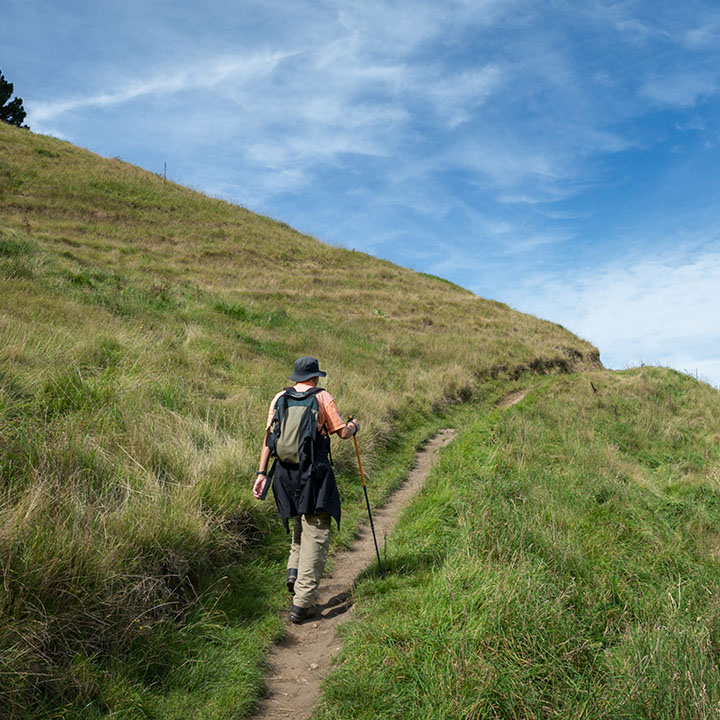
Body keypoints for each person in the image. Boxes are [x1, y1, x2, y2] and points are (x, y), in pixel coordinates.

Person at [253, 356, 360, 623]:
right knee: (316, 533)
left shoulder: (279, 398)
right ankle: (303, 603)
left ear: (296, 377)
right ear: (315, 377)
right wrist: (354, 427)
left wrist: (261, 473)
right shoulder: (323, 398)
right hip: (314, 475)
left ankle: (294, 574)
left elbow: (269, 438)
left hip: (284, 475)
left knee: (300, 523)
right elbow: (341, 433)